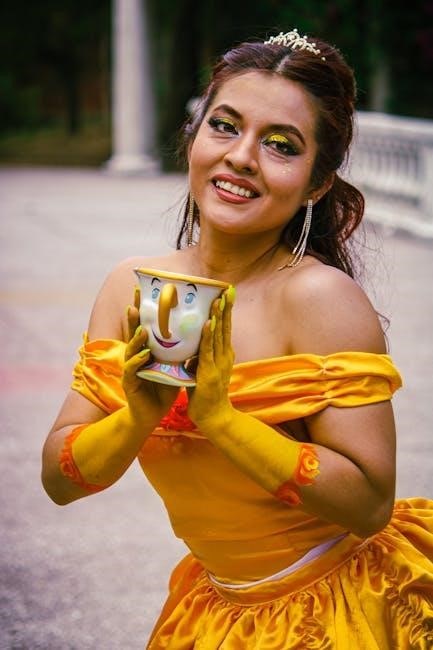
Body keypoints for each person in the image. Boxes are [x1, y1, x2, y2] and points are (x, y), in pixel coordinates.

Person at [42, 28, 433, 649]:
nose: (242, 156)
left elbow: (368, 506)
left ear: (317, 183)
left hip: (339, 610)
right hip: (219, 610)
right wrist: (137, 416)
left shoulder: (319, 299)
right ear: (193, 137)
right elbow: (59, 481)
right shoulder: (132, 288)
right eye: (224, 126)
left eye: (281, 145)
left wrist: (222, 419)